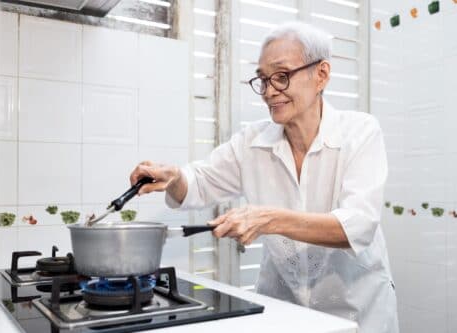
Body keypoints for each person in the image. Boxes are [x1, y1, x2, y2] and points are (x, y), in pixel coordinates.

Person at [129, 21, 399, 333]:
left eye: (282, 77)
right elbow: (200, 182)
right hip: (284, 314)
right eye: (262, 79)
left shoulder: (360, 132)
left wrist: (267, 219)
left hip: (357, 314)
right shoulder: (251, 142)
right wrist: (175, 177)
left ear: (321, 75)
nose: (269, 92)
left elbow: (358, 225)